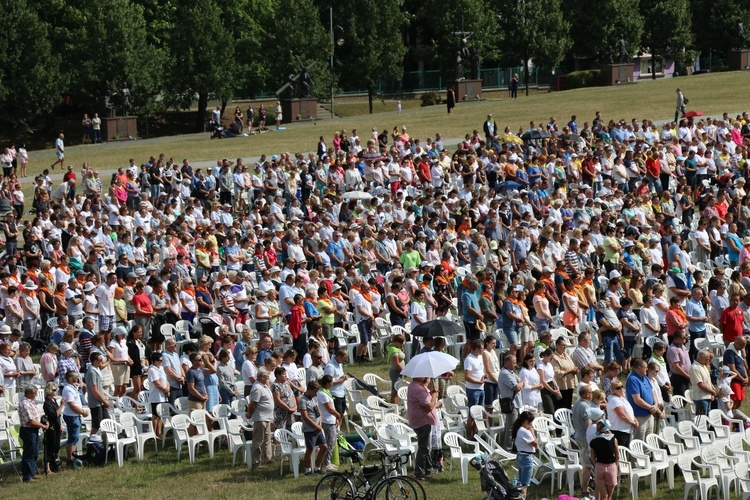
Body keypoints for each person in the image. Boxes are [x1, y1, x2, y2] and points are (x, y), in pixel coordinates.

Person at [407, 376, 442, 481]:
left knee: (424, 446)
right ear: (418, 377)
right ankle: (418, 473)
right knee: (424, 447)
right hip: (422, 421)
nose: (426, 377)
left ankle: (427, 469)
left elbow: (425, 401)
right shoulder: (418, 389)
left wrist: (430, 394)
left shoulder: (414, 386)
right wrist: (435, 396)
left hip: (418, 420)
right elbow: (429, 406)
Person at [18, 385, 48, 482]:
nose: (36, 395)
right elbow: (30, 421)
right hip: (28, 431)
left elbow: (37, 415)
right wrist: (43, 426)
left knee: (34, 452)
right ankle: (27, 477)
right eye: (35, 393)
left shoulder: (31, 403)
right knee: (28, 453)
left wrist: (44, 421)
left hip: (34, 430)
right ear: (29, 393)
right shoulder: (25, 404)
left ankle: (31, 473)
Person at [571, 384, 596, 497]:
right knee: (588, 465)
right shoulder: (585, 406)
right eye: (591, 392)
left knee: (586, 463)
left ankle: (586, 485)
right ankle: (584, 488)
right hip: (584, 438)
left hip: (578, 435)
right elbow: (589, 425)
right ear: (587, 394)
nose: (592, 394)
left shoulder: (576, 403)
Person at [299, 380, 328, 476]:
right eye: (315, 391)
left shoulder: (314, 398)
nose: (316, 394)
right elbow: (305, 417)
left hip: (317, 429)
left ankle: (317, 468)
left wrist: (319, 424)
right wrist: (316, 426)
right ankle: (308, 470)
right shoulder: (303, 400)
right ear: (309, 390)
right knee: (310, 449)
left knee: (324, 447)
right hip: (309, 430)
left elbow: (318, 412)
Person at [247, 368, 274, 467]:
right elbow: (252, 404)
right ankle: (256, 462)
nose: (268, 378)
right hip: (260, 418)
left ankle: (268, 459)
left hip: (267, 418)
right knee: (258, 441)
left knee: (267, 439)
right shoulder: (257, 388)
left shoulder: (263, 386)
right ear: (262, 377)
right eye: (267, 377)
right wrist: (249, 413)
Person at [625, 359, 657, 441]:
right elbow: (637, 399)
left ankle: (649, 454)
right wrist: (650, 407)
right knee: (639, 440)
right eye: (645, 367)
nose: (647, 369)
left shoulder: (645, 378)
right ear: (639, 368)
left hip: (649, 414)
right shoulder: (633, 379)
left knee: (649, 440)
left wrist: (655, 405)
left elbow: (653, 392)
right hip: (640, 416)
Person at [62, 369, 89, 464]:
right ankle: (70, 459)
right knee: (73, 438)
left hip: (75, 416)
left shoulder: (72, 387)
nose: (77, 378)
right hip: (72, 416)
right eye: (74, 377)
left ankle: (73, 456)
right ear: (69, 378)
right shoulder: (68, 389)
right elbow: (72, 405)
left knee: (75, 437)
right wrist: (83, 412)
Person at [498, 353, 524, 450]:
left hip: (516, 403)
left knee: (514, 426)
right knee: (510, 426)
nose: (515, 365)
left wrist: (520, 383)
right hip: (511, 404)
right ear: (508, 362)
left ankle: (513, 445)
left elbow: (522, 382)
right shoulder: (505, 373)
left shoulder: (511, 372)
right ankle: (508, 448)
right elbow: (516, 387)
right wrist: (520, 384)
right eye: (514, 363)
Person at [589, 419, 619, 500]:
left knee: (603, 496)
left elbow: (592, 458)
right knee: (609, 496)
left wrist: (596, 466)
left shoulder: (593, 442)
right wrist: (616, 467)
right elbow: (617, 456)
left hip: (599, 467)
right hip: (611, 467)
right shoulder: (614, 440)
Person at [464, 339, 486, 439]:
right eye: (482, 348)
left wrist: (483, 377)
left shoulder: (480, 357)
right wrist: (478, 382)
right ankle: (469, 435)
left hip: (481, 388)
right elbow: (467, 377)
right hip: (473, 390)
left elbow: (479, 371)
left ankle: (476, 435)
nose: (483, 350)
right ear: (476, 348)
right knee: (472, 414)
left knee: (479, 413)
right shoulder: (469, 359)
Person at [84, 352, 111, 435]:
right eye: (100, 360)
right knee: (96, 425)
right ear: (95, 361)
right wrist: (104, 401)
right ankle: (91, 443)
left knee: (108, 422)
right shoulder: (92, 372)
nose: (102, 361)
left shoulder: (97, 370)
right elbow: (95, 391)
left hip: (100, 402)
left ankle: (109, 443)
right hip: (96, 403)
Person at [512, 411, 537, 496]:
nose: (531, 425)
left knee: (521, 482)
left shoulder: (518, 429)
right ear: (525, 421)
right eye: (530, 422)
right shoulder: (525, 431)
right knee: (524, 485)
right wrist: (532, 432)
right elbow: (535, 443)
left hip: (520, 456)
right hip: (526, 458)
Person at [607, 381, 636, 448]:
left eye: (622, 387)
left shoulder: (622, 399)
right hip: (619, 431)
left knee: (625, 451)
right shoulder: (614, 400)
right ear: (613, 390)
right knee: (620, 452)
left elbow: (629, 412)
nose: (621, 389)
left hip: (626, 430)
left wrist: (635, 419)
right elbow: (622, 416)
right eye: (618, 388)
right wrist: (633, 423)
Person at [42, 382, 63, 474]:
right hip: (51, 427)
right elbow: (54, 415)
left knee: (56, 447)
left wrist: (61, 424)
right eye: (54, 390)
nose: (56, 391)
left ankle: (54, 465)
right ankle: (47, 468)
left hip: (57, 426)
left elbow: (58, 416)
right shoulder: (47, 403)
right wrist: (62, 405)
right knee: (50, 447)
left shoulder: (54, 400)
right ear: (49, 391)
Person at [690, 349, 717, 416]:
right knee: (701, 418)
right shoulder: (695, 368)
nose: (708, 361)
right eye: (707, 359)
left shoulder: (703, 366)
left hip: (707, 396)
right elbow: (700, 384)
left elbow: (708, 381)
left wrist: (713, 391)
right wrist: (712, 392)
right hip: (701, 398)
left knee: (707, 418)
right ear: (700, 357)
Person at [387, 334, 405, 404]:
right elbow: (397, 364)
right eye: (400, 343)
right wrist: (404, 372)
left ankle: (394, 406)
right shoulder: (394, 352)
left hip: (397, 372)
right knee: (395, 391)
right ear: (396, 342)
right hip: (396, 372)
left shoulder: (395, 347)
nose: (401, 344)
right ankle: (395, 407)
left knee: (396, 390)